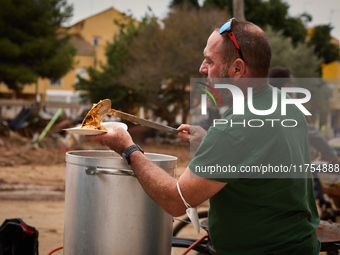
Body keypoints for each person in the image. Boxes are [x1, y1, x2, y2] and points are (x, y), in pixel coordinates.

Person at [86, 18, 320, 254]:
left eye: (209, 60)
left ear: (237, 69)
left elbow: (176, 201)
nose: (201, 68)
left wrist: (127, 148)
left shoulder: (234, 129)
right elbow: (258, 155)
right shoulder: (284, 104)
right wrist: (211, 142)